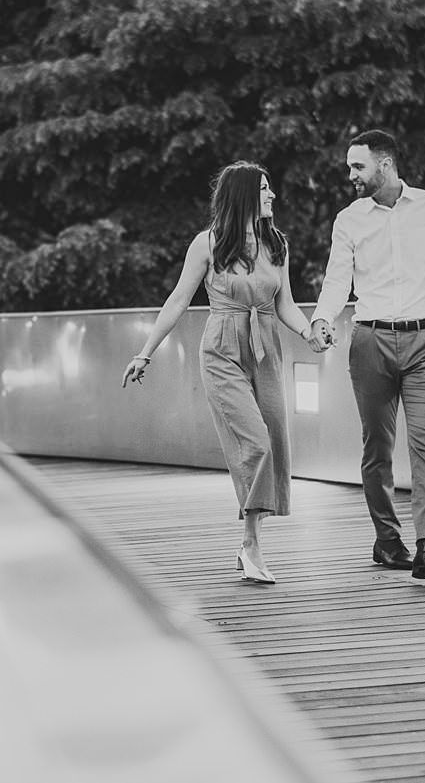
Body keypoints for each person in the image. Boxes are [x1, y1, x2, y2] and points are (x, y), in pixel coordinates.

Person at [307, 130, 425, 580]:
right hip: (370, 342)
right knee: (378, 447)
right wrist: (321, 318)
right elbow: (337, 280)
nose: (350, 175)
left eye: (358, 167)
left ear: (385, 165)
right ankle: (388, 540)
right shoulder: (349, 220)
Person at [122, 162, 314, 585]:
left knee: (276, 441)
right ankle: (251, 544)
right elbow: (177, 301)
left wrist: (308, 332)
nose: (272, 196)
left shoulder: (276, 244)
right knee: (256, 442)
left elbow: (285, 303)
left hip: (266, 349)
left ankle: (250, 542)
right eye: (265, 189)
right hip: (222, 348)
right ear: (244, 194)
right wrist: (145, 353)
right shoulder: (207, 244)